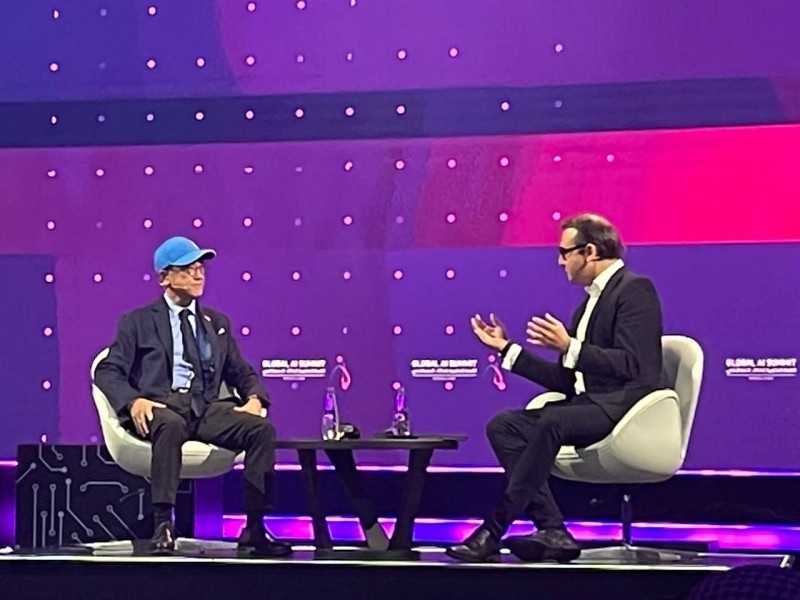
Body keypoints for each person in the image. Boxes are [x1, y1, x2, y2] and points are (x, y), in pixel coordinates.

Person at [446, 214, 664, 563]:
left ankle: (493, 529)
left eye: (565, 252)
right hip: (589, 405)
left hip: (624, 409)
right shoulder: (586, 306)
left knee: (553, 421)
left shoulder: (635, 290)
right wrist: (507, 349)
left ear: (590, 251)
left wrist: (570, 347)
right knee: (504, 425)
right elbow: (567, 381)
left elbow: (632, 364)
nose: (560, 261)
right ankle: (552, 529)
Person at [94, 236, 292, 557]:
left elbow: (241, 371)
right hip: (162, 405)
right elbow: (108, 370)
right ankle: (163, 524)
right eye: (187, 270)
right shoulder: (138, 322)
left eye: (200, 268)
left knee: (261, 431)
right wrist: (133, 401)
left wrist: (255, 398)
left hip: (205, 408)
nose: (198, 275)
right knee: (170, 424)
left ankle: (255, 527)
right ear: (165, 277)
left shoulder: (216, 323)